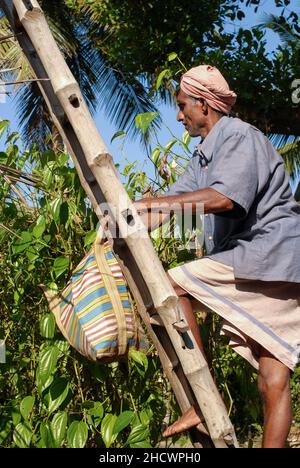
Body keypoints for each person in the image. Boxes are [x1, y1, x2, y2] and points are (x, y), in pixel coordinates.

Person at [134, 65, 300, 448]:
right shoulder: (203, 157)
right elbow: (169, 208)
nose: (179, 116)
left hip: (268, 252)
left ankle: (199, 396)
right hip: (280, 263)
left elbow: (225, 198)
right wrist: (120, 225)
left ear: (204, 105)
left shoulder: (239, 136)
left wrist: (149, 202)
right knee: (272, 379)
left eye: (181, 106)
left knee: (173, 283)